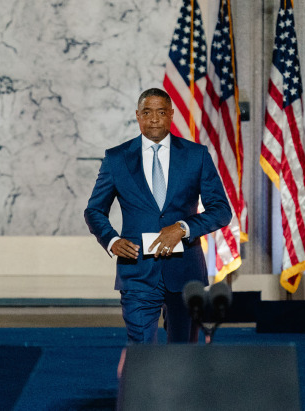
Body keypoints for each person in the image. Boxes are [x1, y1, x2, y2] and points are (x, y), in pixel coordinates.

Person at [84, 88, 231, 344]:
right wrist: (111, 241)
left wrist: (183, 228)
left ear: (171, 115)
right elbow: (94, 210)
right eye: (147, 112)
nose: (154, 119)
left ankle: (178, 386)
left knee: (183, 353)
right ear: (138, 116)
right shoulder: (116, 159)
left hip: (185, 273)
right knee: (141, 351)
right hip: (138, 272)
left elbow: (221, 210)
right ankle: (144, 387)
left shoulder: (196, 155)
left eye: (161, 112)